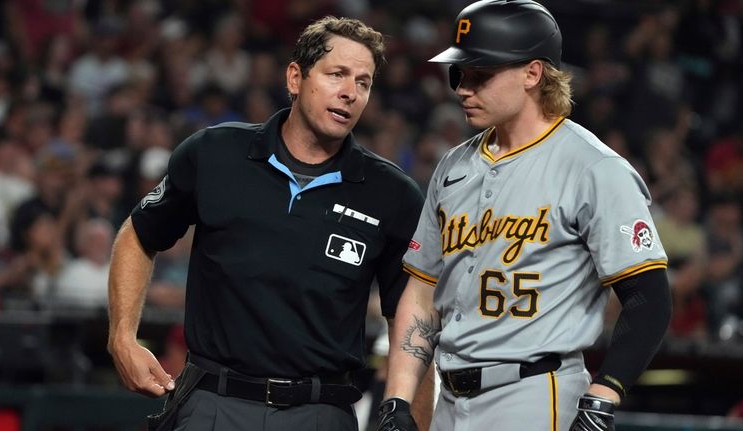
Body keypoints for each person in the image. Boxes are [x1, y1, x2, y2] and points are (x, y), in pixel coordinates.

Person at [107, 16, 430, 431]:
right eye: (337, 75)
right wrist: (121, 337)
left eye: (363, 83)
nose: (350, 93)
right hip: (212, 403)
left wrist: (416, 422)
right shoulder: (215, 153)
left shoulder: (394, 194)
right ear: (295, 77)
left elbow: (413, 321)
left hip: (321, 412)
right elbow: (138, 234)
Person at [377, 1, 673, 431]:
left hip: (535, 394)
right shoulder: (453, 166)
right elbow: (422, 291)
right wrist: (398, 400)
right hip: (450, 400)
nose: (462, 88)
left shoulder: (592, 167)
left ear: (533, 74)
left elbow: (648, 298)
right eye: (458, 74)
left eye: (481, 75)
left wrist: (604, 394)